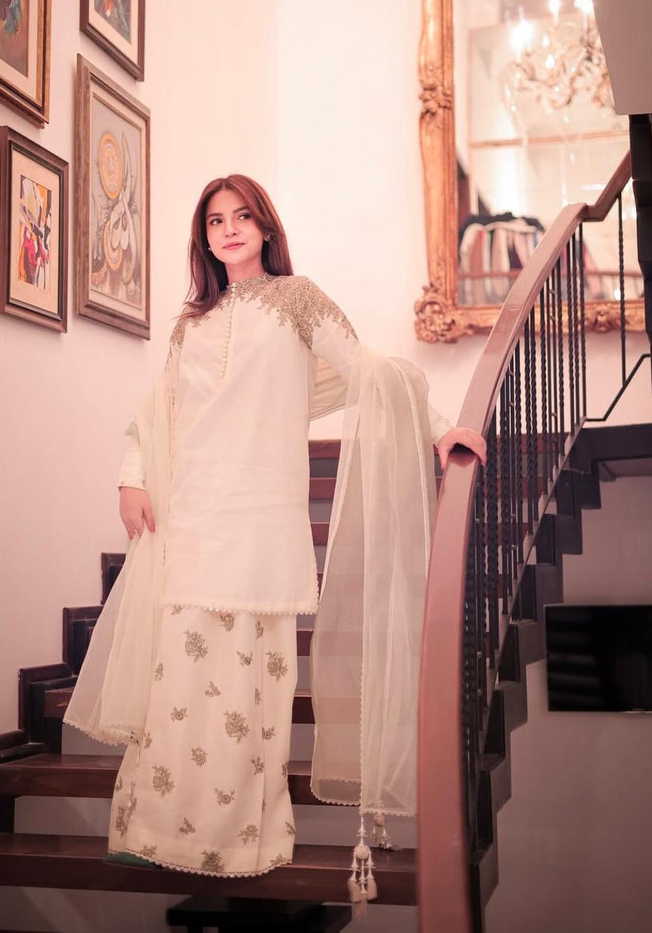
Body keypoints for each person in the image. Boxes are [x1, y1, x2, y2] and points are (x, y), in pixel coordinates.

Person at [64, 174, 485, 888]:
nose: (228, 229)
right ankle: (153, 829)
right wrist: (131, 478)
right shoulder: (191, 323)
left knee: (246, 689)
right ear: (204, 238)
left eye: (242, 217)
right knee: (179, 681)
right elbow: (160, 411)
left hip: (262, 522)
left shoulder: (298, 300)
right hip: (192, 518)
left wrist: (440, 429)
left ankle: (236, 843)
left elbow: (369, 373)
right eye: (215, 221)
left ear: (265, 228)